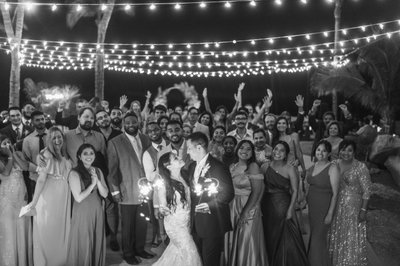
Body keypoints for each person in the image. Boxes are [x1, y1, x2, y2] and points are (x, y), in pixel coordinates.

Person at [107, 113, 153, 265]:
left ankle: (140, 249)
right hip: (127, 189)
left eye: (134, 121)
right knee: (128, 225)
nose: (131, 124)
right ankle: (128, 253)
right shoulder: (115, 142)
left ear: (138, 122)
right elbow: (112, 170)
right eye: (127, 122)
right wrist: (115, 191)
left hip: (145, 189)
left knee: (142, 222)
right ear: (123, 124)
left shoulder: (146, 139)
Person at [186, 132, 235, 266]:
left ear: (199, 148)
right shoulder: (192, 166)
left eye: (189, 148)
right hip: (196, 223)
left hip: (212, 223)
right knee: (200, 260)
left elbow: (228, 193)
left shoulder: (218, 167)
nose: (187, 152)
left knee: (210, 261)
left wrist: (210, 205)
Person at [27, 127, 73, 266]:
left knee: (60, 229)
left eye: (59, 137)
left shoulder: (62, 152)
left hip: (63, 194)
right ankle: (48, 261)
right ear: (49, 140)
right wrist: (34, 202)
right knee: (49, 228)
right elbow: (41, 180)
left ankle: (60, 259)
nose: (57, 140)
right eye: (54, 138)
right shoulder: (46, 154)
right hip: (50, 195)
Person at [260, 141, 309, 266]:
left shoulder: (290, 169)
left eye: (282, 151)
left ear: (286, 154)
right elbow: (260, 188)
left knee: (287, 237)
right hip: (267, 206)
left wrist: (290, 209)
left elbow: (294, 191)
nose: (277, 152)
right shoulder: (265, 167)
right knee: (269, 236)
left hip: (283, 206)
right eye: (276, 149)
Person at [152, 152, 202, 266]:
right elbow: (163, 205)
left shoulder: (185, 175)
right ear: (168, 166)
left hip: (187, 221)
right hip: (175, 224)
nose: (179, 158)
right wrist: (162, 209)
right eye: (175, 158)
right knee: (190, 251)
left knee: (177, 251)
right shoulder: (164, 183)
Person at [328, 140, 372, 266]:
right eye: (343, 149)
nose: (345, 153)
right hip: (336, 205)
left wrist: (363, 211)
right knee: (337, 234)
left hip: (353, 208)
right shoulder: (334, 164)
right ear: (339, 150)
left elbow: (367, 191)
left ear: (354, 152)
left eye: (349, 150)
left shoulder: (360, 167)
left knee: (350, 236)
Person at [225, 140, 268, 266]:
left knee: (247, 239)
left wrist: (245, 212)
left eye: (248, 149)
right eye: (242, 148)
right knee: (234, 240)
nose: (244, 151)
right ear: (237, 149)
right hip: (233, 206)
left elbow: (257, 191)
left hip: (249, 206)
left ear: (252, 152)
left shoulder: (253, 166)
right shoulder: (232, 166)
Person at [67, 144, 108, 266]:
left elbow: (105, 194)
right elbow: (78, 198)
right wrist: (91, 185)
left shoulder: (98, 170)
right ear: (79, 156)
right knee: (84, 240)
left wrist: (98, 181)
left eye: (91, 153)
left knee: (95, 239)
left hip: (97, 210)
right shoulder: (74, 173)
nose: (89, 156)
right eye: (85, 153)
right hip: (82, 212)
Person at [0, 135, 32, 266]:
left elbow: (25, 167)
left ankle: (23, 261)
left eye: (9, 141)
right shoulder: (3, 159)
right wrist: (9, 156)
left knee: (22, 227)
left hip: (21, 196)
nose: (7, 144)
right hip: (6, 197)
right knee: (9, 229)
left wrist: (14, 154)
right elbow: (6, 173)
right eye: (4, 143)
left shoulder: (17, 153)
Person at [306, 140, 339, 266]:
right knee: (315, 236)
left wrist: (330, 214)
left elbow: (336, 193)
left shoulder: (333, 168)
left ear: (329, 153)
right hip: (313, 207)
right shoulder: (313, 166)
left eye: (324, 150)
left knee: (317, 238)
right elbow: (307, 185)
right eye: (318, 150)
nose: (320, 152)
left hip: (324, 208)